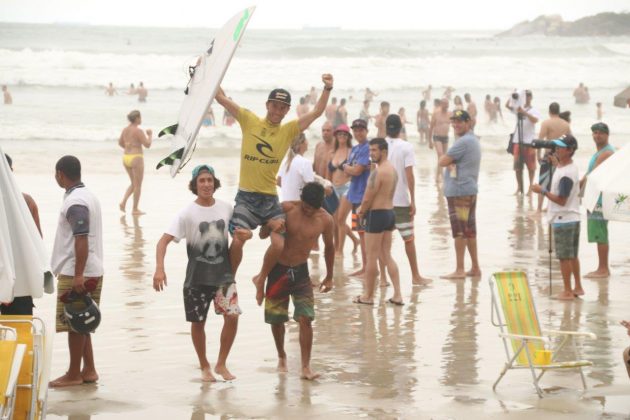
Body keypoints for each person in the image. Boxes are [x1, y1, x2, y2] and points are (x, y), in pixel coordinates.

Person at [214, 74, 334, 306]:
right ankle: (228, 281)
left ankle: (260, 278)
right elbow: (219, 97)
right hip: (247, 196)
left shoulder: (288, 130)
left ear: (287, 110)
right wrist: (209, 70)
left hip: (269, 198)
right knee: (238, 240)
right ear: (267, 105)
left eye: (282, 107)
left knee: (279, 244)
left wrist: (328, 87)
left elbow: (318, 112)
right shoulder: (249, 120)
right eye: (275, 106)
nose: (278, 110)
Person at [153, 165, 247, 382]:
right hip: (197, 277)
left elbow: (240, 234)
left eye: (209, 180)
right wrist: (159, 268)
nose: (206, 184)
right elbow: (163, 241)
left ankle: (221, 364)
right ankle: (205, 366)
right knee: (198, 323)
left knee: (232, 317)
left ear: (215, 183)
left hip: (223, 276)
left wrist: (247, 235)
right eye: (202, 181)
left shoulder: (226, 209)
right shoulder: (186, 213)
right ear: (194, 185)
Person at [261, 182, 334, 380]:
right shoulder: (287, 208)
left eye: (312, 209)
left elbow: (329, 247)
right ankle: (282, 356)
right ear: (301, 201)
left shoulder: (326, 220)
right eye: (305, 207)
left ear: (320, 205)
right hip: (278, 270)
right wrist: (269, 225)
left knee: (306, 318)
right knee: (277, 319)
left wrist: (329, 275)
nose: (307, 211)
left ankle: (305, 367)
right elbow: (263, 232)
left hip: (301, 271)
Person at [49, 155, 103, 387]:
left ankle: (73, 374)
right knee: (82, 322)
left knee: (74, 323)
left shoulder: (76, 202)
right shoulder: (86, 195)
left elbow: (81, 238)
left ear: (60, 173)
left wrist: (78, 275)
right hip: (90, 269)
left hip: (78, 272)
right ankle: (88, 370)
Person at [531, 135, 582, 300]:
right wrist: (555, 163)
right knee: (572, 255)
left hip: (563, 218)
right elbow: (562, 170)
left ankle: (567, 291)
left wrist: (542, 191)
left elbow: (561, 200)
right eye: (557, 146)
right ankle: (578, 287)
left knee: (563, 257)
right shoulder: (569, 167)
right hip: (572, 217)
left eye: (560, 147)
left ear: (570, 150)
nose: (557, 149)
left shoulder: (566, 173)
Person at [354, 138, 401, 305]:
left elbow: (367, 198)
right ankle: (397, 294)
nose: (371, 153)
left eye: (374, 150)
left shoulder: (378, 172)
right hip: (389, 213)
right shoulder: (393, 170)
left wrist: (361, 212)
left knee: (371, 257)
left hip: (376, 214)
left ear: (384, 152)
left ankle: (368, 296)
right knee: (386, 255)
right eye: (370, 150)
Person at [385, 115, 430, 286]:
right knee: (409, 239)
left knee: (383, 241)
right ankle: (416, 276)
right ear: (400, 128)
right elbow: (409, 176)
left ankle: (383, 279)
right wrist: (413, 200)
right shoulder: (406, 147)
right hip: (401, 201)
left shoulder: (378, 145)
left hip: (383, 201)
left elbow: (374, 173)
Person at [438, 110, 482, 279]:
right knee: (470, 231)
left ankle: (460, 269)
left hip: (459, 192)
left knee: (460, 232)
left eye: (459, 122)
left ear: (468, 122)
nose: (456, 125)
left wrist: (446, 157)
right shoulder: (473, 140)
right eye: (454, 122)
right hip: (469, 190)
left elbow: (442, 161)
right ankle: (475, 268)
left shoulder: (463, 142)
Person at [0, 154, 42, 316]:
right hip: (21, 280)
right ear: (10, 171)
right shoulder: (26, 202)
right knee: (21, 335)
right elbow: (37, 243)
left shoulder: (27, 202)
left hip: (16, 281)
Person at [581, 123, 615, 278]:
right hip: (596, 196)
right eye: (594, 132)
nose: (597, 135)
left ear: (607, 135)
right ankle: (602, 267)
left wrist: (578, 188)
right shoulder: (600, 152)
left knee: (600, 232)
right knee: (598, 232)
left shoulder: (606, 152)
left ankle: (603, 269)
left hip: (600, 198)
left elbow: (592, 174)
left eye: (601, 133)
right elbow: (589, 173)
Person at [341, 119, 371, 277]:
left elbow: (357, 170)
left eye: (361, 130)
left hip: (363, 195)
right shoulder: (354, 149)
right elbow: (348, 172)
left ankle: (368, 267)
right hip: (354, 194)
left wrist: (348, 167)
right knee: (360, 231)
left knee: (365, 232)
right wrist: (349, 168)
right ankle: (365, 266)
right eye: (356, 130)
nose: (358, 133)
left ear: (366, 131)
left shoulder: (367, 148)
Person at [327, 124, 358, 255]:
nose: (342, 137)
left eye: (344, 134)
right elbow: (328, 172)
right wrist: (326, 185)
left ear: (348, 137)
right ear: (336, 136)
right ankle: (354, 240)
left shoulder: (352, 151)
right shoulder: (332, 153)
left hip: (347, 186)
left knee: (340, 220)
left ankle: (339, 250)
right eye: (339, 134)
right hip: (333, 188)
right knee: (335, 222)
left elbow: (357, 170)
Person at [535, 102, 571, 213]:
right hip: (562, 156)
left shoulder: (546, 123)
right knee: (557, 182)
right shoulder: (566, 124)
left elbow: (540, 140)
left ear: (549, 111)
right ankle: (552, 206)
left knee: (543, 182)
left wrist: (538, 155)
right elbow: (570, 141)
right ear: (558, 111)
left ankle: (539, 208)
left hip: (549, 156)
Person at [118, 110, 152, 215]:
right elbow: (147, 144)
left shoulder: (125, 130)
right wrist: (150, 135)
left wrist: (127, 147)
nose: (141, 119)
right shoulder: (138, 131)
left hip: (126, 157)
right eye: (140, 117)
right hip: (136, 157)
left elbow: (120, 143)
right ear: (137, 118)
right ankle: (135, 209)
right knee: (138, 185)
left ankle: (123, 203)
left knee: (133, 183)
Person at [507, 90, 540, 195]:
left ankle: (530, 187)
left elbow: (535, 120)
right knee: (517, 167)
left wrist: (524, 112)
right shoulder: (518, 108)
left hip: (529, 142)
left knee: (531, 167)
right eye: (524, 96)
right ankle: (519, 187)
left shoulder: (533, 110)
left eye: (527, 96)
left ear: (531, 97)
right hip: (517, 140)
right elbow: (507, 105)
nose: (526, 98)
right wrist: (513, 95)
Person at [278, 134, 314, 202]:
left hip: (285, 203)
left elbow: (278, 181)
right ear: (301, 144)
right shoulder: (305, 162)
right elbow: (310, 187)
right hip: (298, 204)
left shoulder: (285, 161)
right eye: (306, 140)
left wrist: (289, 189)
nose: (307, 142)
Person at [429, 99, 452, 180]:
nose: (447, 105)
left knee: (442, 158)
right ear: (441, 104)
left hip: (445, 138)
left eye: (447, 104)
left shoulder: (450, 114)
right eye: (445, 104)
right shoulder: (436, 113)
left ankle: (438, 175)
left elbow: (455, 124)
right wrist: (430, 141)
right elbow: (431, 127)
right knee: (440, 154)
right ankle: (441, 175)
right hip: (437, 137)